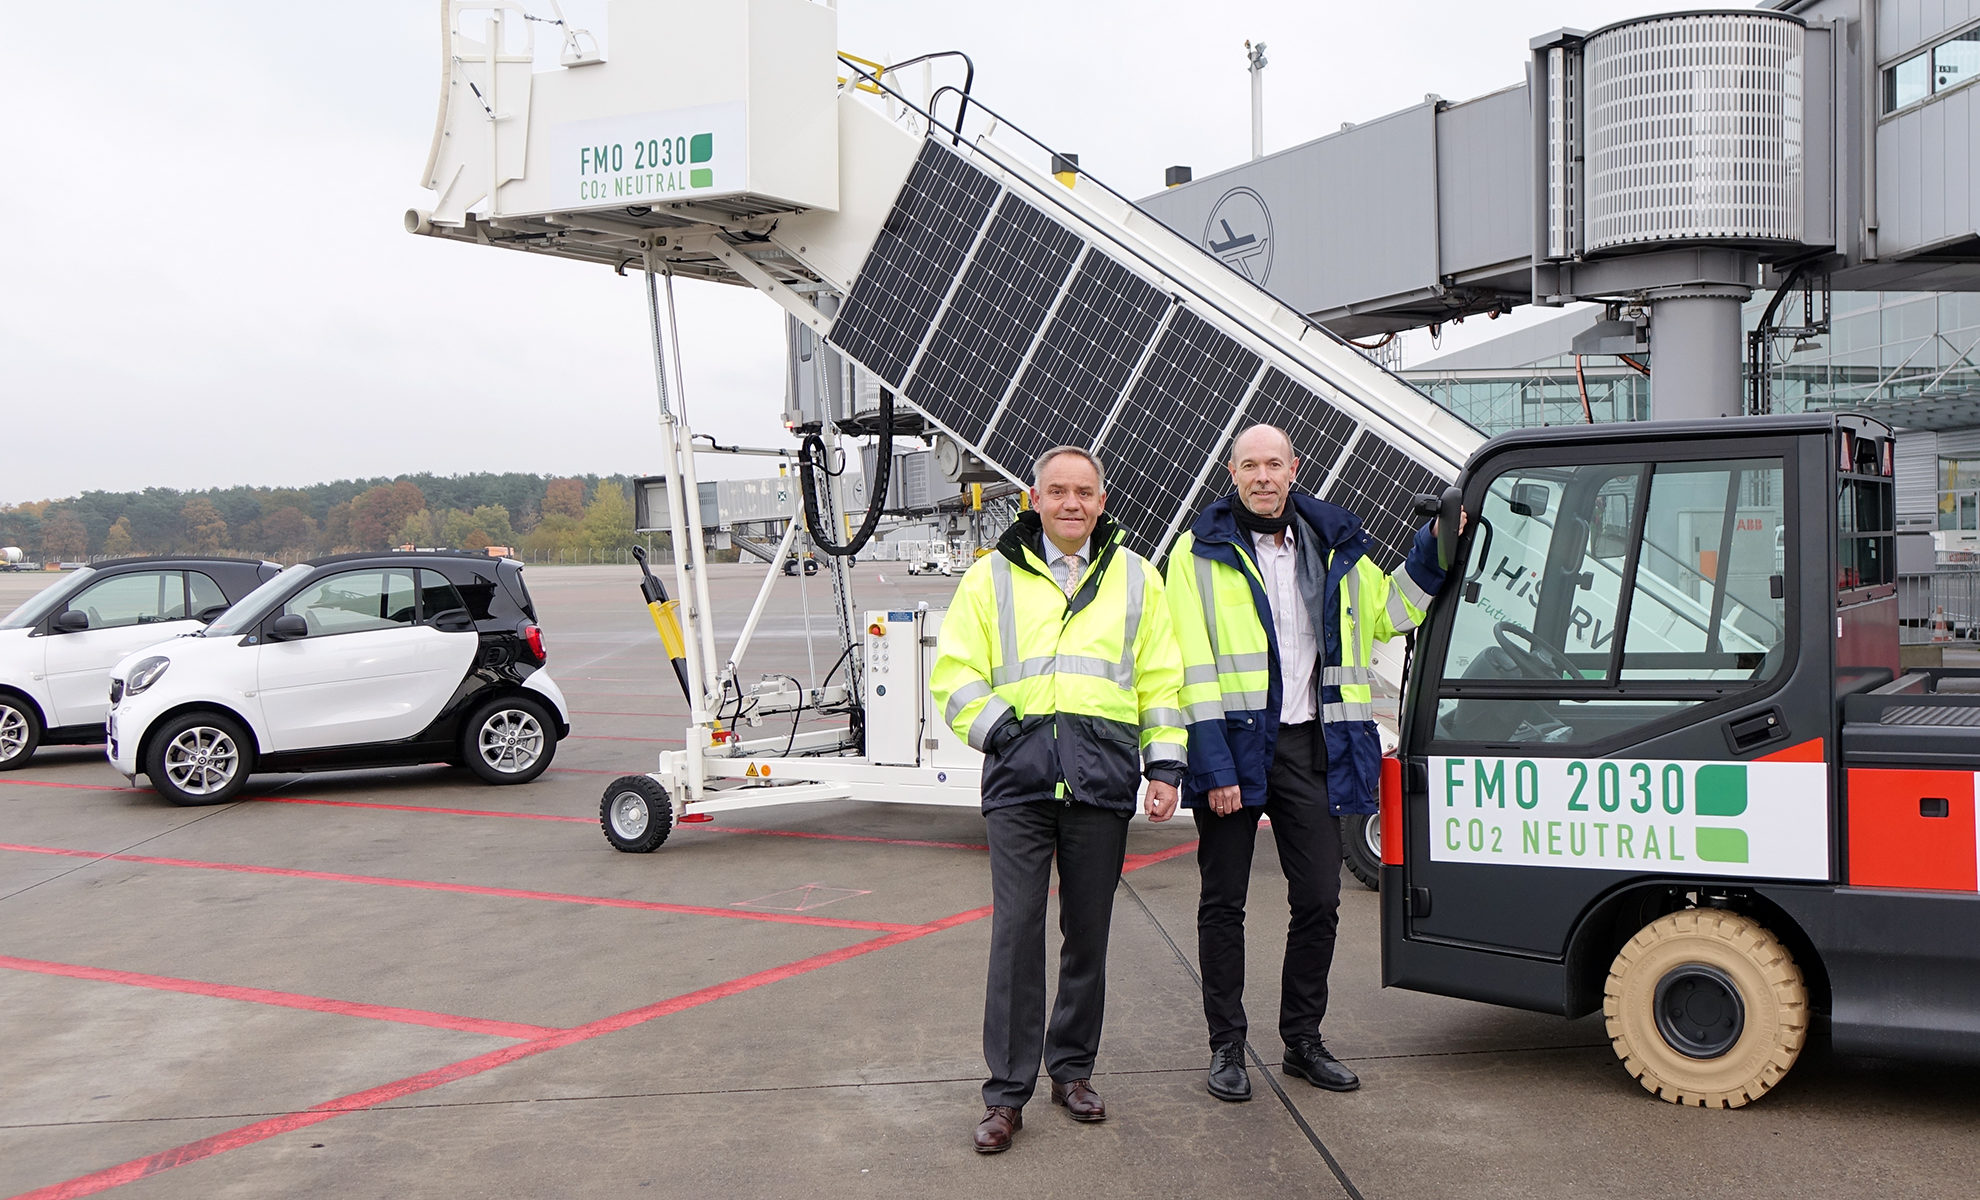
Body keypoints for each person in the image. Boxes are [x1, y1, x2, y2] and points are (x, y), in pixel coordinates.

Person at [1164, 423, 1451, 1102]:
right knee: (1223, 902)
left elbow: (1392, 611)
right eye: (1249, 466)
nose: (1263, 476)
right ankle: (1227, 1045)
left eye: (1274, 464)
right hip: (1235, 744)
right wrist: (1214, 766)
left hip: (1311, 745)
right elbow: (1188, 665)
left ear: (1295, 468)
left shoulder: (1334, 543)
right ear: (1231, 473)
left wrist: (1437, 547)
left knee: (1320, 898)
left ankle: (1302, 1040)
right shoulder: (1195, 553)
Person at [930, 445, 1186, 1154]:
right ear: (1033, 499)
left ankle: (1072, 1069)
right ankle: (1005, 1093)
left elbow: (1160, 680)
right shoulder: (991, 577)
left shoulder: (1138, 578)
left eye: (1084, 492)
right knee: (1016, 935)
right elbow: (953, 672)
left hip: (1101, 778)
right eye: (1057, 491)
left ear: (1102, 502)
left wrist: (1164, 767)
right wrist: (1003, 733)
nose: (1071, 503)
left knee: (1089, 935)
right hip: (1019, 780)